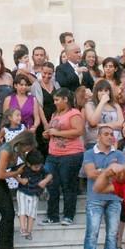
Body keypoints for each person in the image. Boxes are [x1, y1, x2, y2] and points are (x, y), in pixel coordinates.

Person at [81, 125, 125, 249]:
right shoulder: (89, 153)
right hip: (95, 197)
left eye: (112, 134)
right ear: (98, 137)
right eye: (106, 134)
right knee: (92, 232)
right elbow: (90, 173)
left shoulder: (119, 154)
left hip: (114, 198)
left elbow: (121, 175)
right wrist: (110, 171)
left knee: (113, 233)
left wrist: (100, 171)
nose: (110, 136)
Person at [0, 131, 37, 249]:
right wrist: (16, 172)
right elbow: (0, 174)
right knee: (7, 214)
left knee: (10, 214)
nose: (28, 150)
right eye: (28, 147)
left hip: (0, 181)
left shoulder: (16, 150)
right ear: (23, 143)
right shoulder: (6, 151)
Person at [44, 87, 85, 226]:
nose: (55, 102)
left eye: (57, 99)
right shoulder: (55, 114)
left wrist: (56, 133)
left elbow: (78, 131)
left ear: (65, 99)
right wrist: (48, 133)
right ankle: (52, 215)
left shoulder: (74, 113)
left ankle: (68, 215)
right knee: (51, 184)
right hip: (53, 153)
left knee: (68, 185)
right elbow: (54, 131)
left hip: (71, 154)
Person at [16, 149, 51, 240]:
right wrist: (20, 180)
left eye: (39, 166)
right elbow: (13, 172)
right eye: (35, 167)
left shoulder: (41, 167)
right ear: (28, 164)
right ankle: (23, 228)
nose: (38, 168)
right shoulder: (23, 167)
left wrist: (45, 181)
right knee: (22, 210)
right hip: (23, 191)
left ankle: (29, 231)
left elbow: (50, 175)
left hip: (35, 192)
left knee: (32, 213)